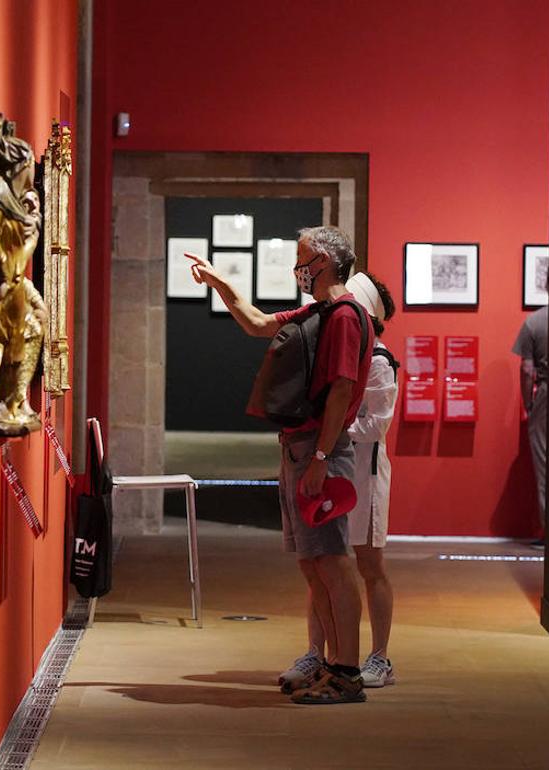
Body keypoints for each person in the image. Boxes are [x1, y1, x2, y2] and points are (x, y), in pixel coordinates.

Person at [186, 226, 373, 705]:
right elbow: (255, 323)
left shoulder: (346, 316)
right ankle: (332, 664)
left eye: (302, 258)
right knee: (314, 565)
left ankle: (348, 672)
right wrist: (220, 282)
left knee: (333, 562)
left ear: (325, 263)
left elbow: (342, 390)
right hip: (301, 448)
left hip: (318, 450)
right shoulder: (318, 313)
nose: (298, 268)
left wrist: (322, 458)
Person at [291, 272, 400, 689]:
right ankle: (317, 652)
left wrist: (331, 429)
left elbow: (376, 425)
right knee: (323, 562)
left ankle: (380, 656)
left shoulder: (378, 361)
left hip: (363, 475)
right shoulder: (342, 356)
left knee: (370, 566)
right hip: (334, 467)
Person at [513, 306, 549, 548]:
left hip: (546, 396)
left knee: (545, 466)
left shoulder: (534, 322)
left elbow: (527, 370)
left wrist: (529, 403)